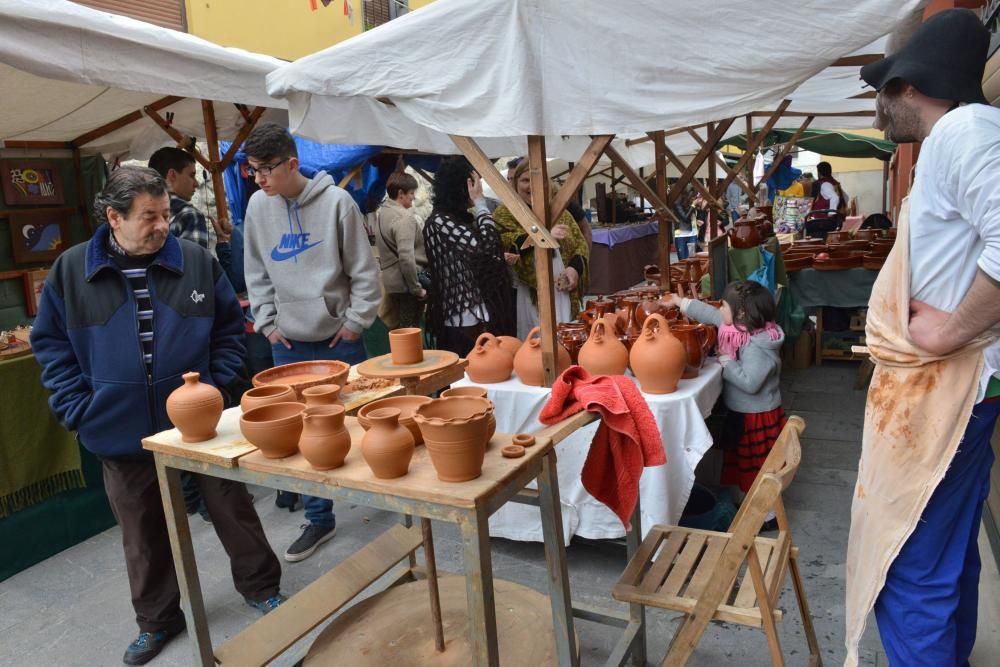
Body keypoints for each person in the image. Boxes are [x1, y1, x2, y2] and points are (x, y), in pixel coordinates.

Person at [30, 167, 284, 666]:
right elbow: (51, 346)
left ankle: (261, 588)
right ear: (114, 218)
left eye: (165, 213)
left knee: (232, 510)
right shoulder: (71, 270)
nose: (163, 225)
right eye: (149, 216)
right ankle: (158, 621)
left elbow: (230, 331)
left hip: (202, 425)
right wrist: (79, 409)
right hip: (118, 428)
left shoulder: (195, 262)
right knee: (141, 532)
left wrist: (218, 385)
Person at [842, 10, 1000, 667]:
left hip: (945, 394)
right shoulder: (964, 136)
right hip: (954, 391)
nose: (881, 111)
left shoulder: (964, 129)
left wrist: (951, 326)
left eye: (884, 92)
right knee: (944, 554)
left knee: (908, 568)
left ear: (912, 85)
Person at [243, 123, 380, 562]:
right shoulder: (256, 209)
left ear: (292, 164)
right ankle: (319, 519)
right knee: (301, 432)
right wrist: (267, 324)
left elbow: (364, 271)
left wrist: (357, 322)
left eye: (266, 169)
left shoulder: (338, 202)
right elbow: (256, 272)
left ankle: (382, 489)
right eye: (252, 170)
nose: (260, 179)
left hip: (340, 336)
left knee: (360, 420)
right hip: (288, 341)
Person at [667, 281, 785, 530]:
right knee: (744, 462)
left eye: (723, 305)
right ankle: (744, 499)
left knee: (758, 467)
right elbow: (709, 314)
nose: (719, 308)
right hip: (745, 411)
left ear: (741, 314)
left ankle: (767, 516)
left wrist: (727, 362)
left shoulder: (757, 347)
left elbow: (750, 383)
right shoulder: (741, 329)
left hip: (756, 415)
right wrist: (680, 303)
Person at [423, 157, 513, 355]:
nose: (478, 188)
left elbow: (478, 255)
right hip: (463, 321)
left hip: (473, 317)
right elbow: (487, 249)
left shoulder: (455, 219)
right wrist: (481, 205)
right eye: (475, 182)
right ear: (464, 185)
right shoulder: (440, 221)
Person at [493, 159, 589, 338]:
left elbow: (580, 245)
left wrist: (574, 269)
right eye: (525, 180)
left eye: (537, 179)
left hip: (562, 289)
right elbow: (506, 243)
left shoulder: (559, 211)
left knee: (566, 336)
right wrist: (544, 235)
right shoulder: (505, 214)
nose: (531, 186)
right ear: (515, 183)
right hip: (530, 293)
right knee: (537, 342)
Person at [375, 171, 428, 329]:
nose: (414, 197)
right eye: (411, 193)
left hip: (392, 283)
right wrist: (417, 289)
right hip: (407, 285)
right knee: (410, 332)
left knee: (399, 332)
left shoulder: (383, 213)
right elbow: (406, 258)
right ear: (400, 194)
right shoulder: (404, 218)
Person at [805, 161, 847, 238]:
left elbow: (835, 197)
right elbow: (845, 197)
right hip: (833, 220)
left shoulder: (824, 184)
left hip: (824, 223)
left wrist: (831, 213)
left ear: (820, 172)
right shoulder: (834, 183)